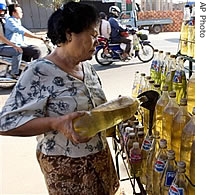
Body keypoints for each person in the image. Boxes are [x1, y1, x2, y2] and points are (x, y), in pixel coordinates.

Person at [0, 2, 120, 195]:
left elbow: (96, 113)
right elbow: (5, 124)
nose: (97, 41)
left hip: (100, 160)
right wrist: (56, 123)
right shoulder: (39, 71)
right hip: (67, 170)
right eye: (92, 34)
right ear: (69, 34)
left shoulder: (87, 68)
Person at [0, 2, 23, 79]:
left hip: (4, 45)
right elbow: (1, 38)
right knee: (17, 51)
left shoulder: (4, 20)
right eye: (0, 11)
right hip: (1, 46)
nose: (1, 13)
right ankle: (14, 73)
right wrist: (14, 46)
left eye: (3, 11)